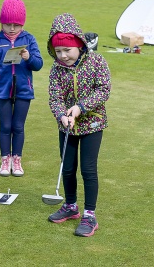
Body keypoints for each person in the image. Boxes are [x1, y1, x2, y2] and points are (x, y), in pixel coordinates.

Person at [46, 13, 111, 237]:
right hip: (67, 126)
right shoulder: (56, 69)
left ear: (79, 45)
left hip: (93, 123)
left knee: (88, 169)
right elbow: (55, 98)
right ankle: (71, 206)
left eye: (67, 50)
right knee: (68, 166)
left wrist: (80, 107)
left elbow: (103, 90)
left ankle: (90, 215)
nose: (63, 56)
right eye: (58, 52)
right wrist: (61, 115)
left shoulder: (97, 61)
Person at [0, 0, 43, 177]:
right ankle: (5, 159)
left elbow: (38, 64)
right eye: (7, 24)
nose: (11, 28)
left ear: (22, 24)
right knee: (5, 126)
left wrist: (28, 58)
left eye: (16, 25)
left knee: (18, 127)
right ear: (1, 23)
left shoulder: (29, 39)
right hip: (2, 90)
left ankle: (16, 160)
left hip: (24, 90)